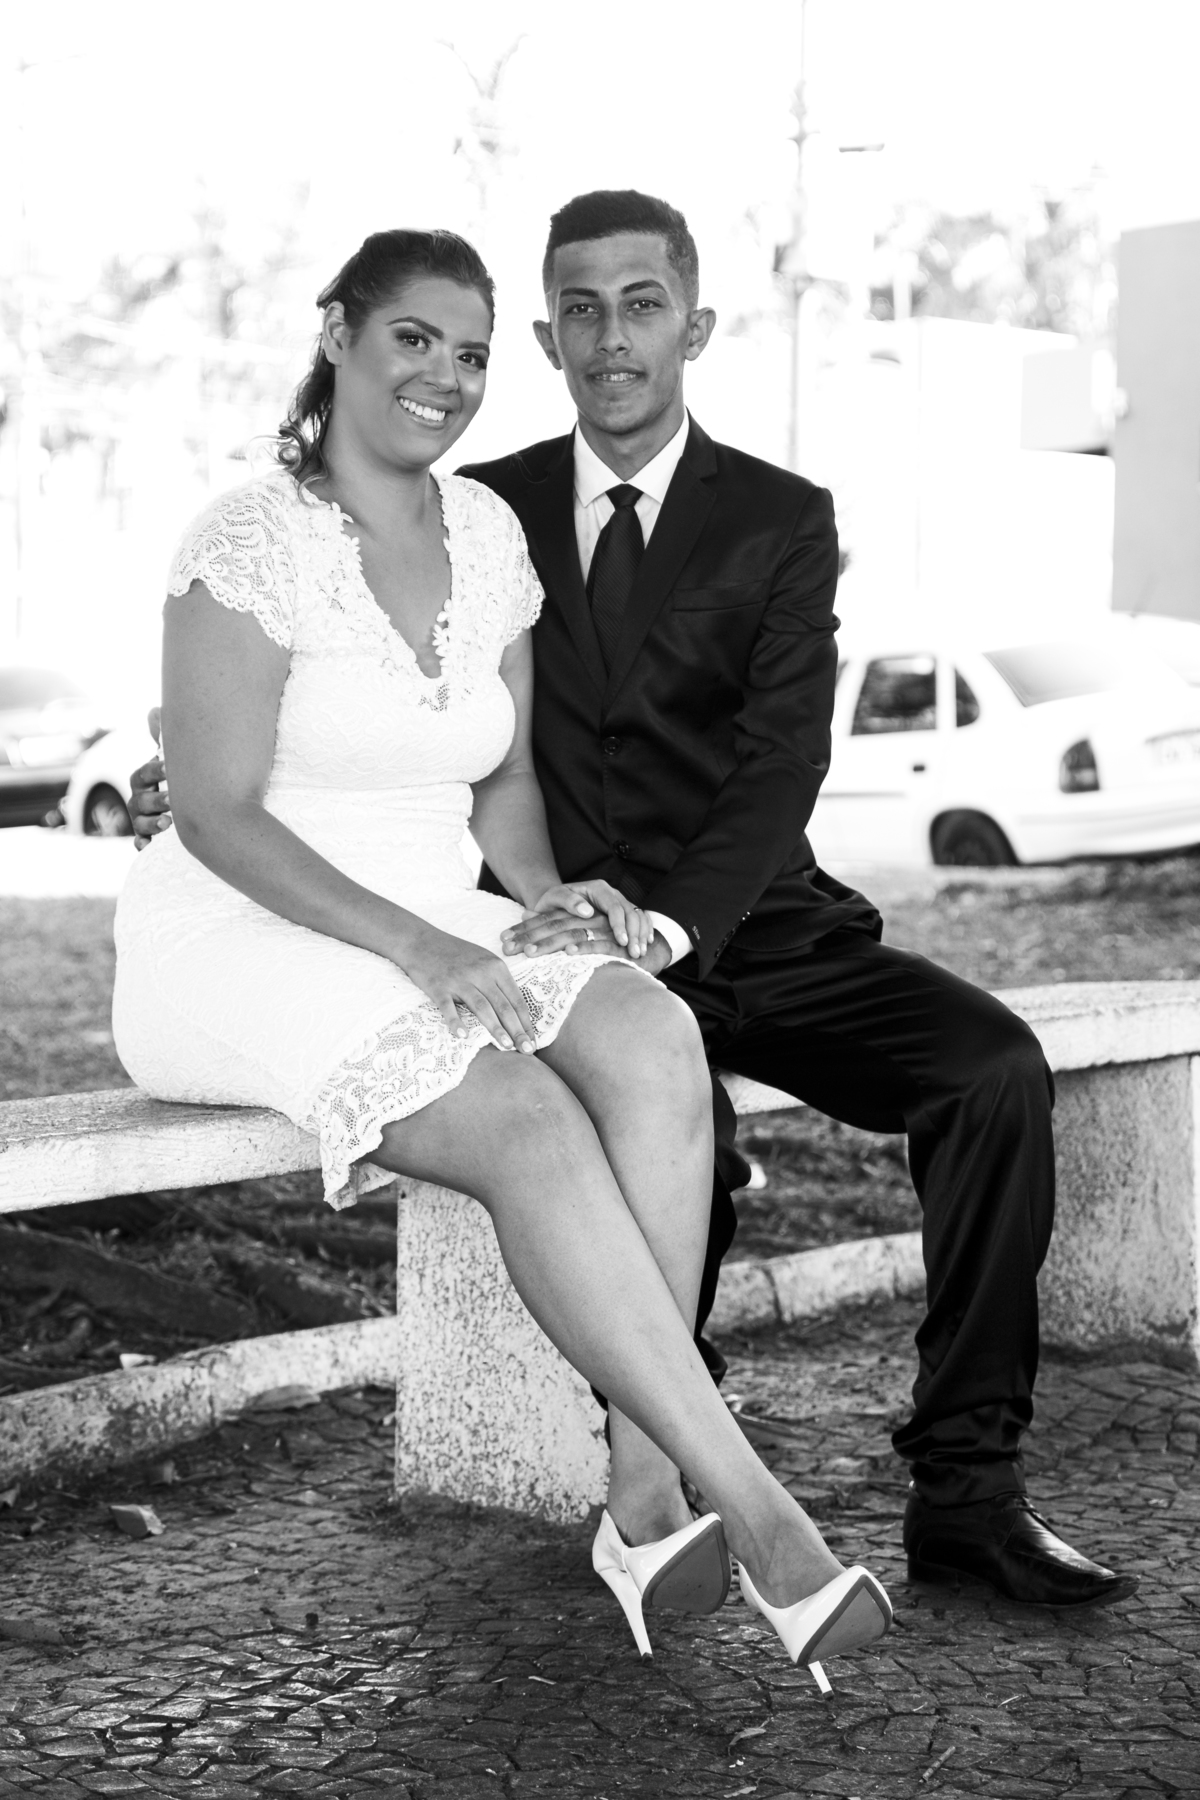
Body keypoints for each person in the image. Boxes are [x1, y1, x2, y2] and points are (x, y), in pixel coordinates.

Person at [129, 194, 1134, 1612]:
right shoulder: (441, 504)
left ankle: (964, 1491)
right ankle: (688, 1487)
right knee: (621, 1111)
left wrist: (623, 920)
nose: (607, 339)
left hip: (729, 923)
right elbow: (259, 763)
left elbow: (761, 766)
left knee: (973, 1071)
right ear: (544, 340)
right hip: (454, 928)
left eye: (640, 305)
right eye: (576, 313)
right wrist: (212, 781)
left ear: (694, 325)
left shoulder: (748, 520)